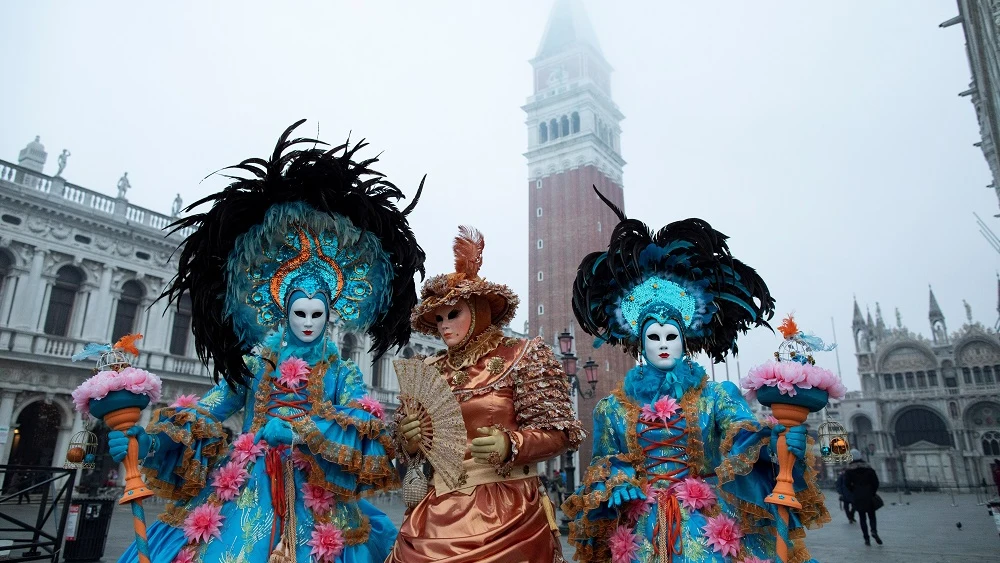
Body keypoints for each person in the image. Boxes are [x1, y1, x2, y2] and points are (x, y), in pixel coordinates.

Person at [108, 121, 426, 563]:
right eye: (301, 314)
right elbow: (210, 409)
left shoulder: (342, 371)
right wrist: (149, 442)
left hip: (316, 488)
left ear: (329, 314)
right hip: (245, 477)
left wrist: (305, 431)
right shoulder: (257, 364)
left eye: (319, 315)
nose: (310, 323)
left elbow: (359, 420)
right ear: (285, 311)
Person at [562, 195, 829, 563]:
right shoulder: (611, 409)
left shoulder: (716, 397)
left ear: (684, 340)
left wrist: (777, 438)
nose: (663, 345)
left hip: (705, 524)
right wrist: (619, 480)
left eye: (671, 337)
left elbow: (742, 436)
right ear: (640, 343)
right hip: (640, 529)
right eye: (653, 338)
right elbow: (605, 460)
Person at [388, 226, 584, 563]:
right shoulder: (428, 368)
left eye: (454, 314)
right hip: (435, 513)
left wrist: (513, 444)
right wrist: (408, 439)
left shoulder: (522, 355)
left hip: (506, 509)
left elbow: (562, 432)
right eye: (438, 319)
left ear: (478, 310)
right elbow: (407, 449)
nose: (444, 326)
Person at [845, 454, 882, 546]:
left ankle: (866, 538)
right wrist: (872, 492)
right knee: (872, 515)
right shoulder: (868, 468)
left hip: (858, 495)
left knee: (862, 518)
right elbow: (876, 482)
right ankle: (874, 531)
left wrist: (854, 491)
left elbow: (847, 484)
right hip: (869, 494)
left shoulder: (849, 470)